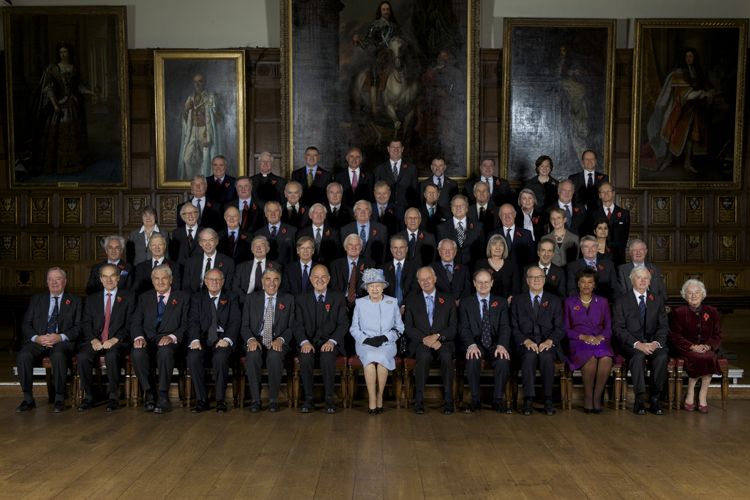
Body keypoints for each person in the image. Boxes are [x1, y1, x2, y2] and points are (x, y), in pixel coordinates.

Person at [16, 267, 81, 413]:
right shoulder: (37, 299)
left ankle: (59, 398)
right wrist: (36, 338)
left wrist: (60, 336)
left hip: (61, 342)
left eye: (57, 279)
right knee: (23, 355)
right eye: (50, 279)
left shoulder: (75, 300)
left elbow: (79, 327)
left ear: (65, 281)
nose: (54, 282)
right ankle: (28, 399)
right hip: (39, 340)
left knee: (58, 356)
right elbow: (26, 324)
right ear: (47, 282)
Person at [131, 265, 190, 414]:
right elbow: (136, 322)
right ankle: (149, 393)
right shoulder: (144, 297)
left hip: (172, 342)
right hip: (149, 340)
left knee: (164, 351)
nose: (160, 282)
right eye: (157, 278)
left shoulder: (183, 297)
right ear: (152, 281)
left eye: (164, 278)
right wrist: (139, 337)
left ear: (171, 279)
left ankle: (163, 395)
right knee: (137, 352)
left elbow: (186, 324)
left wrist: (171, 337)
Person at [77, 264, 135, 412]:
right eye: (105, 276)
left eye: (112, 276)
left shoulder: (128, 297)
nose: (109, 279)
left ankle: (113, 397)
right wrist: (93, 339)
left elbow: (131, 323)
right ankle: (89, 396)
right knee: (83, 356)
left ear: (118, 278)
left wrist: (115, 339)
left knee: (112, 355)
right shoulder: (92, 299)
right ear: (101, 279)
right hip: (96, 340)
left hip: (118, 341)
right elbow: (85, 323)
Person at [647, 47, 714, 174]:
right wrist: (703, 93)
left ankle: (687, 163)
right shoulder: (679, 73)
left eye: (691, 56)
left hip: (693, 110)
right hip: (680, 110)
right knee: (674, 135)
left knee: (690, 137)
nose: (689, 59)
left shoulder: (696, 71)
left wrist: (709, 92)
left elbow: (705, 85)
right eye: (687, 56)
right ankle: (668, 160)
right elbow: (685, 94)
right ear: (684, 58)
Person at [613, 267, 669, 415]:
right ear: (632, 280)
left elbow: (663, 326)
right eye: (639, 277)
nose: (643, 280)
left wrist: (656, 343)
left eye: (646, 278)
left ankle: (655, 397)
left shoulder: (656, 300)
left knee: (662, 356)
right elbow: (618, 329)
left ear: (650, 281)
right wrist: (638, 344)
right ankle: (640, 398)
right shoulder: (622, 301)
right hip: (631, 344)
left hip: (652, 343)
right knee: (638, 357)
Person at [32, 43, 95, 175]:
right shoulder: (53, 69)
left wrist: (91, 92)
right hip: (59, 104)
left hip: (72, 104)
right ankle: (57, 165)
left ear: (69, 53)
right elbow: (48, 88)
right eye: (61, 52)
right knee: (58, 133)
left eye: (65, 52)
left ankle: (74, 163)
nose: (63, 54)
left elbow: (78, 87)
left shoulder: (74, 68)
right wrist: (55, 105)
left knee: (73, 132)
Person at [294, 264, 348, 413]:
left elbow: (343, 324)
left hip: (330, 341)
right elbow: (297, 324)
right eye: (316, 277)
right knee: (305, 357)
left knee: (327, 357)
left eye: (323, 277)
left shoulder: (337, 297)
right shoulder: (301, 299)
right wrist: (304, 342)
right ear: (310, 279)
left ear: (329, 279)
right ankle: (308, 399)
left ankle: (329, 399)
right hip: (308, 341)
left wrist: (332, 341)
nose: (320, 280)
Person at [350, 268, 404, 414]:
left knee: (381, 361)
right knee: (369, 363)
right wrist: (366, 340)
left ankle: (380, 396)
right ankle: (372, 399)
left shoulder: (392, 302)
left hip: (387, 343)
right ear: (366, 288)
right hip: (365, 344)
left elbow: (400, 327)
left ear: (383, 287)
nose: (375, 289)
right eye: (371, 285)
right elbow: (354, 329)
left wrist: (385, 337)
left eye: (378, 285)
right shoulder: (360, 303)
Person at [511, 267, 564, 416]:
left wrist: (549, 341)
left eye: (539, 277)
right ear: (527, 280)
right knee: (529, 357)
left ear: (544, 279)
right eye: (532, 277)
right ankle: (528, 398)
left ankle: (548, 399)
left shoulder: (554, 300)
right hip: (526, 344)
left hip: (547, 343)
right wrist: (526, 341)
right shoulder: (517, 300)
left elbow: (560, 328)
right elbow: (513, 327)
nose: (536, 280)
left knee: (546, 357)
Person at [404, 266, 457, 415]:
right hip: (421, 343)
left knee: (446, 356)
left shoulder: (448, 299)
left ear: (434, 279)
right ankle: (419, 399)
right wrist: (424, 338)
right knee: (424, 356)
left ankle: (448, 400)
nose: (425, 282)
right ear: (418, 282)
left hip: (443, 342)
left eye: (428, 278)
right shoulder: (412, 301)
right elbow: (408, 328)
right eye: (422, 279)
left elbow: (453, 327)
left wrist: (438, 336)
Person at [241, 268, 295, 412]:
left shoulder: (288, 299)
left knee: (275, 355)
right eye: (268, 279)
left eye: (275, 279)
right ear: (262, 282)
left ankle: (273, 399)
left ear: (280, 282)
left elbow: (291, 327)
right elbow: (244, 326)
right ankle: (256, 400)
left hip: (278, 339)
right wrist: (251, 339)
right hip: (256, 339)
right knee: (252, 356)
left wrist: (281, 340)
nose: (272, 283)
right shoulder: (251, 299)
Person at [187, 269, 241, 414]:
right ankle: (201, 400)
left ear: (223, 282)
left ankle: (220, 400)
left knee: (220, 357)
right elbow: (193, 321)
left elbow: (235, 321)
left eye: (218, 280)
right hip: (203, 339)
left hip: (222, 339)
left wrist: (227, 339)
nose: (214, 282)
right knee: (193, 357)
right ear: (205, 281)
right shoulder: (197, 298)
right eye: (211, 279)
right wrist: (195, 340)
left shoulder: (231, 297)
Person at [460, 269, 512, 413]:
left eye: (486, 282)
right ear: (474, 284)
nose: (483, 285)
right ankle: (475, 400)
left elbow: (505, 327)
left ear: (492, 283)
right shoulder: (466, 302)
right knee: (472, 358)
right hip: (475, 342)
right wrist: (471, 345)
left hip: (495, 342)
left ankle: (497, 400)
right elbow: (463, 328)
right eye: (480, 282)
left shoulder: (500, 302)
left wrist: (502, 345)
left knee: (502, 360)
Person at [564, 269, 614, 413]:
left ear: (594, 285)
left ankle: (597, 397)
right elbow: (565, 329)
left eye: (590, 282)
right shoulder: (569, 302)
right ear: (578, 284)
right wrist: (582, 337)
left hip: (599, 340)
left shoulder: (603, 302)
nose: (586, 285)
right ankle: (588, 396)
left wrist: (600, 337)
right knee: (590, 357)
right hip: (578, 341)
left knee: (605, 358)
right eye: (583, 282)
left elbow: (608, 328)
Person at [669, 279, 722, 413]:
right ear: (685, 295)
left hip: (706, 348)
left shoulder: (712, 311)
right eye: (690, 293)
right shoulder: (678, 312)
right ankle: (691, 392)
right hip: (685, 349)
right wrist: (692, 346)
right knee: (698, 357)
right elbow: (675, 336)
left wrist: (708, 346)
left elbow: (717, 335)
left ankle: (702, 395)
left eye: (697, 292)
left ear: (702, 294)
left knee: (708, 356)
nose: (693, 296)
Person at [353, 2, 401, 115]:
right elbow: (367, 42)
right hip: (378, 54)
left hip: (393, 53)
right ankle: (374, 108)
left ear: (390, 11)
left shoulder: (395, 26)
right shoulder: (375, 25)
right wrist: (358, 41)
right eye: (384, 9)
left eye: (387, 9)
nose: (386, 11)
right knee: (374, 74)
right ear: (380, 11)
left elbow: (400, 39)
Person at [178, 73, 221, 179]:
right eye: (195, 82)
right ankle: (191, 181)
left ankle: (205, 181)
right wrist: (186, 109)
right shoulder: (190, 98)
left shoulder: (211, 97)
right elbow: (183, 116)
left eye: (200, 81)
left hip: (205, 130)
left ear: (204, 82)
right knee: (186, 158)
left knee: (205, 158)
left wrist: (208, 132)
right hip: (192, 131)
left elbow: (218, 117)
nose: (197, 84)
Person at [181, 228, 235, 293]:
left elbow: (227, 288)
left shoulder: (228, 262)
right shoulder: (190, 262)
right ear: (200, 243)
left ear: (216, 242)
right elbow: (186, 287)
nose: (207, 244)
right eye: (204, 240)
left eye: (211, 240)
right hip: (194, 299)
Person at [588, 182, 630, 266]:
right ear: (599, 195)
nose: (606, 193)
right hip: (598, 256)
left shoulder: (624, 213)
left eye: (608, 191)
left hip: (618, 258)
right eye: (603, 192)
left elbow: (625, 237)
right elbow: (591, 235)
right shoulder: (592, 214)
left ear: (613, 193)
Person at [436, 194, 484, 267]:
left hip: (474, 268)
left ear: (467, 208)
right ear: (451, 209)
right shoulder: (441, 228)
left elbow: (482, 249)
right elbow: (439, 252)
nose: (458, 208)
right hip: (451, 268)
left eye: (461, 205)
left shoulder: (478, 226)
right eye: (455, 206)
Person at [231, 236, 282, 304]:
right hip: (245, 302)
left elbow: (278, 286)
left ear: (267, 249)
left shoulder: (276, 267)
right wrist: (246, 300)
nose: (258, 248)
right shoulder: (241, 267)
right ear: (252, 249)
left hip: (267, 302)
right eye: (256, 245)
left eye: (262, 245)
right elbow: (235, 286)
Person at [330, 234, 376, 308]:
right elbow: (334, 287)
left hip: (363, 302)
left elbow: (371, 287)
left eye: (357, 245)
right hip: (341, 302)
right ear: (345, 247)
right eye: (350, 245)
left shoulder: (370, 264)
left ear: (361, 248)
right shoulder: (335, 264)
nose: (354, 248)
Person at [566, 236, 618, 302]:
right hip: (581, 305)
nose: (590, 249)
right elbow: (571, 290)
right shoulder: (572, 266)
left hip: (605, 305)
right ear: (582, 250)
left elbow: (615, 289)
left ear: (597, 248)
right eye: (586, 247)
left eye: (593, 246)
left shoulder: (609, 265)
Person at [373, 140, 419, 209]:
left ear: (402, 149)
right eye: (393, 147)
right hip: (385, 211)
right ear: (388, 149)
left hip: (406, 210)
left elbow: (415, 192)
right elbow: (375, 192)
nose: (396, 150)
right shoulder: (379, 169)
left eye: (398, 147)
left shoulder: (412, 169)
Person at [341, 200, 389, 265]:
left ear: (370, 213)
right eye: (359, 209)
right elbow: (344, 253)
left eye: (366, 209)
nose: (363, 212)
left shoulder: (381, 229)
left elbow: (384, 253)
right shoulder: (345, 230)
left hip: (375, 268)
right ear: (355, 213)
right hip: (353, 267)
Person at [491, 203, 536, 272]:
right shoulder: (492, 235)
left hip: (521, 273)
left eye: (510, 213)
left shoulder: (526, 234)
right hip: (499, 273)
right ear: (500, 216)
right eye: (504, 214)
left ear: (514, 214)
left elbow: (531, 258)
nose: (507, 216)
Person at [475, 235, 520, 301]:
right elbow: (476, 285)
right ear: (489, 247)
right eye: (494, 244)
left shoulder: (511, 265)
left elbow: (516, 287)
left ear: (504, 248)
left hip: (507, 303)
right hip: (485, 302)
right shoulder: (480, 264)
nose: (497, 248)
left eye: (501, 245)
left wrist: (511, 298)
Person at [380, 235, 417, 311]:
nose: (398, 251)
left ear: (406, 249)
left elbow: (415, 290)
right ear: (391, 250)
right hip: (388, 309)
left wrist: (404, 305)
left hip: (409, 309)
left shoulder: (415, 268)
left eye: (401, 247)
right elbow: (382, 291)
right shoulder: (382, 269)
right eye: (395, 247)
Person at [255, 201, 297, 266]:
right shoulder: (258, 234)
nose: (273, 214)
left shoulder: (292, 231)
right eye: (269, 211)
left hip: (286, 272)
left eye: (276, 211)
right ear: (265, 214)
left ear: (280, 213)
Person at [431, 238, 471, 304]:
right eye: (444, 249)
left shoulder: (464, 269)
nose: (447, 252)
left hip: (459, 306)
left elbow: (467, 290)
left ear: (455, 252)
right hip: (440, 306)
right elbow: (430, 289)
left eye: (450, 249)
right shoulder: (431, 268)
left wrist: (459, 302)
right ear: (439, 252)